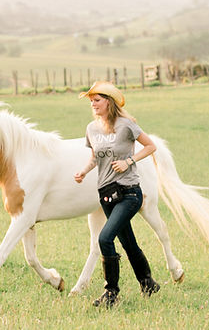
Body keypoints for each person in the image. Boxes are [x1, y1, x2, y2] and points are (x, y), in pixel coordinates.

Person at [74, 81, 161, 308]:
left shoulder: (126, 125)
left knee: (104, 238)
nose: (93, 104)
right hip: (106, 194)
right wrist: (83, 171)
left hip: (129, 193)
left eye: (97, 100)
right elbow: (95, 157)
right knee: (128, 242)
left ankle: (111, 292)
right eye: (91, 101)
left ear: (109, 102)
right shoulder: (91, 129)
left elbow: (150, 146)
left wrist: (128, 161)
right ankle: (148, 283)